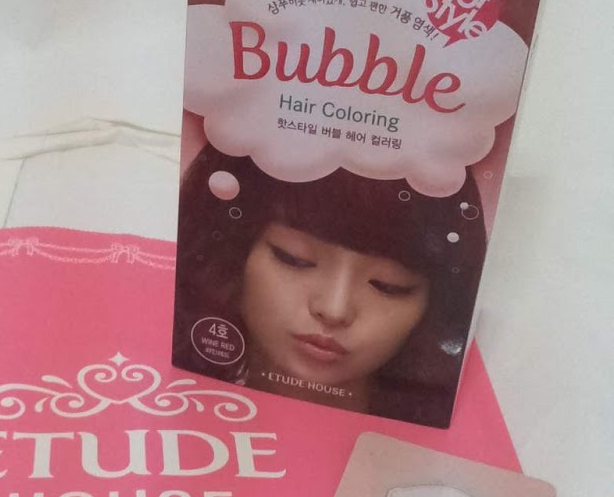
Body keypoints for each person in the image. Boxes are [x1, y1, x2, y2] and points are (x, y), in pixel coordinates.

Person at [174, 144, 487, 426]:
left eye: (389, 285)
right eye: (294, 258)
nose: (333, 310)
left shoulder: (436, 436)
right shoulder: (182, 397)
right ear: (231, 252)